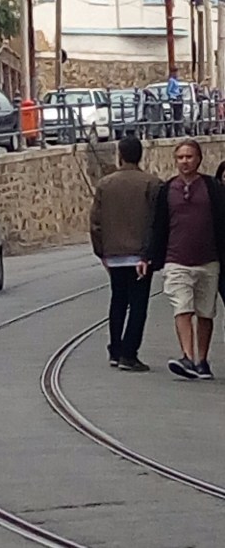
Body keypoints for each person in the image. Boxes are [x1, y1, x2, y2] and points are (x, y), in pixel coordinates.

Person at [141, 139, 225, 379]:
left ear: (198, 159)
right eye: (180, 157)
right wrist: (147, 256)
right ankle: (187, 357)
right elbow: (157, 226)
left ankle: (202, 360)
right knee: (182, 308)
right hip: (176, 260)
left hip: (209, 261)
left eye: (189, 157)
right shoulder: (166, 190)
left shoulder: (213, 188)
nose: (185, 161)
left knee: (206, 313)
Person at [90, 136, 161, 371]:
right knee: (138, 304)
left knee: (118, 300)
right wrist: (151, 253)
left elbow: (96, 223)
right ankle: (129, 354)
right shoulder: (153, 183)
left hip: (114, 255)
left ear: (119, 155)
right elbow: (155, 222)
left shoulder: (104, 184)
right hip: (141, 255)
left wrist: (102, 253)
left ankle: (115, 349)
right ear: (140, 155)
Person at [166, 66, 183, 135]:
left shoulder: (176, 80)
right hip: (175, 98)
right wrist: (173, 96)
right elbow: (168, 91)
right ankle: (176, 131)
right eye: (175, 72)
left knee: (179, 115)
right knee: (176, 115)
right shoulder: (171, 81)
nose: (176, 74)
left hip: (178, 98)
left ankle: (179, 130)